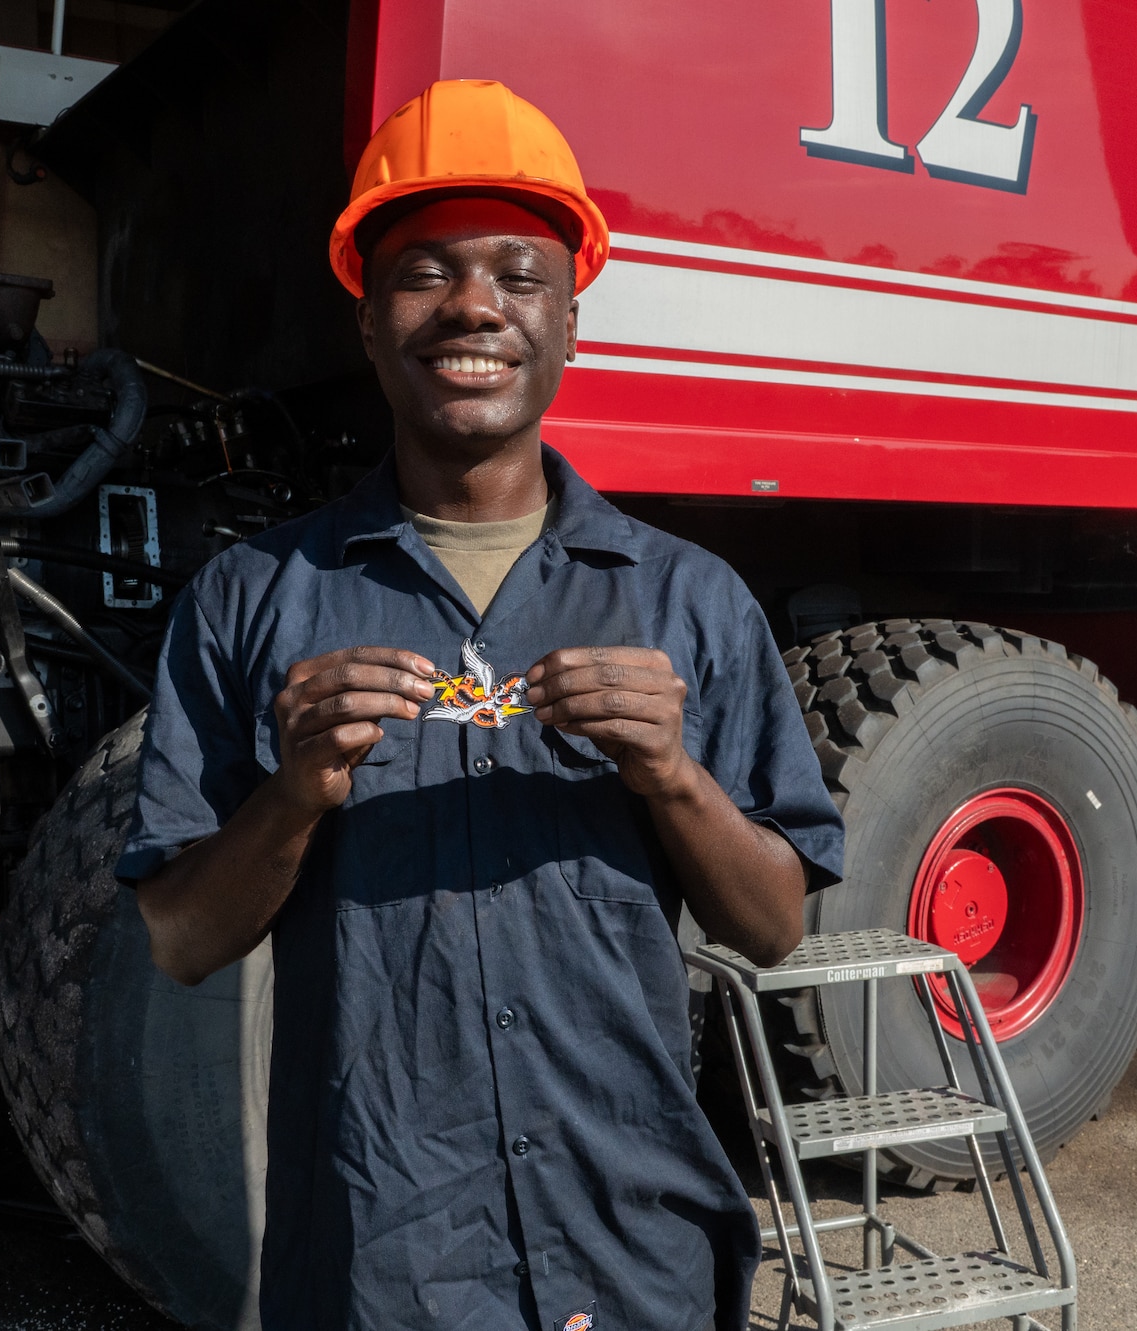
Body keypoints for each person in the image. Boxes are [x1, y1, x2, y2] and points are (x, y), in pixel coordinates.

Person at [120, 79, 844, 1331]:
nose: (471, 304)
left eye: (517, 274)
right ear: (366, 321)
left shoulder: (689, 601)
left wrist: (670, 774)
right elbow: (181, 937)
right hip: (379, 1253)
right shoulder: (252, 599)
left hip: (634, 1240)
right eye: (422, 271)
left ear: (568, 322)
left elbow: (774, 928)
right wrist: (294, 792)